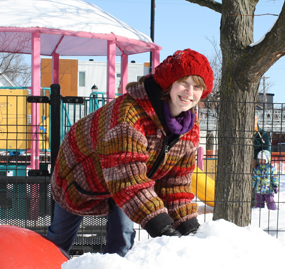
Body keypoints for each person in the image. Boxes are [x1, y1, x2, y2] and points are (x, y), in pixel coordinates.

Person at [47, 49, 214, 257]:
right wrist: (162, 228)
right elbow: (127, 179)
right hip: (80, 176)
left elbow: (176, 185)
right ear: (169, 83)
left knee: (123, 239)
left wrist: (188, 230)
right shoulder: (129, 115)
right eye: (184, 83)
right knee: (58, 241)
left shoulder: (189, 128)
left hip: (127, 183)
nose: (190, 92)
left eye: (197, 86)